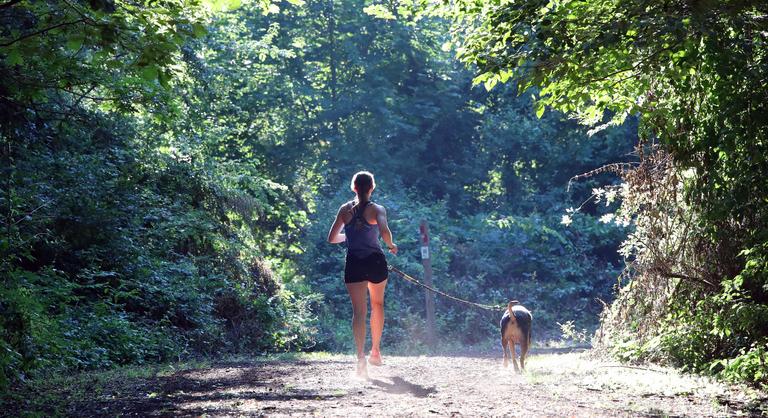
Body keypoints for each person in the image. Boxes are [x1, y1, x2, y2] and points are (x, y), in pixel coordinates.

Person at [327, 171, 398, 377]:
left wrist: (349, 237)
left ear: (354, 188)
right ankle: (375, 351)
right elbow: (384, 231)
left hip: (354, 263)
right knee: (378, 305)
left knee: (359, 312)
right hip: (375, 262)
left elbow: (332, 238)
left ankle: (360, 358)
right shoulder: (377, 209)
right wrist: (391, 245)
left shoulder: (344, 210)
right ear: (372, 188)